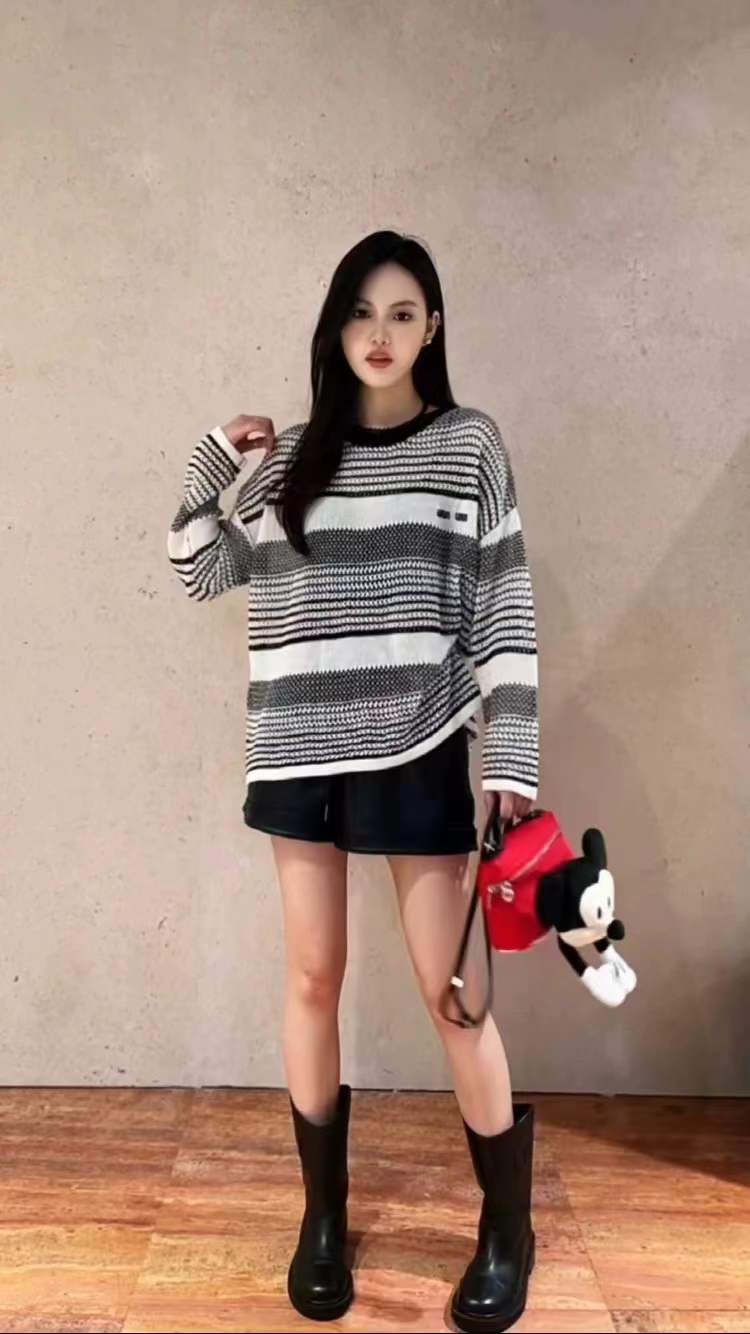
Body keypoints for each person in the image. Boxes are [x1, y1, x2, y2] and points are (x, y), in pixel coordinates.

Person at [167, 230, 539, 1331]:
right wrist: (211, 462)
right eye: (362, 312)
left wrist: (511, 755)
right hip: (298, 746)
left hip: (418, 741)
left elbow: (504, 603)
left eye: (403, 313)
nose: (380, 334)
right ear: (336, 327)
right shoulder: (294, 459)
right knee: (311, 976)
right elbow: (199, 568)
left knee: (450, 993)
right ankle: (322, 1219)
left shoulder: (468, 444)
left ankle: (507, 1227)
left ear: (433, 328)